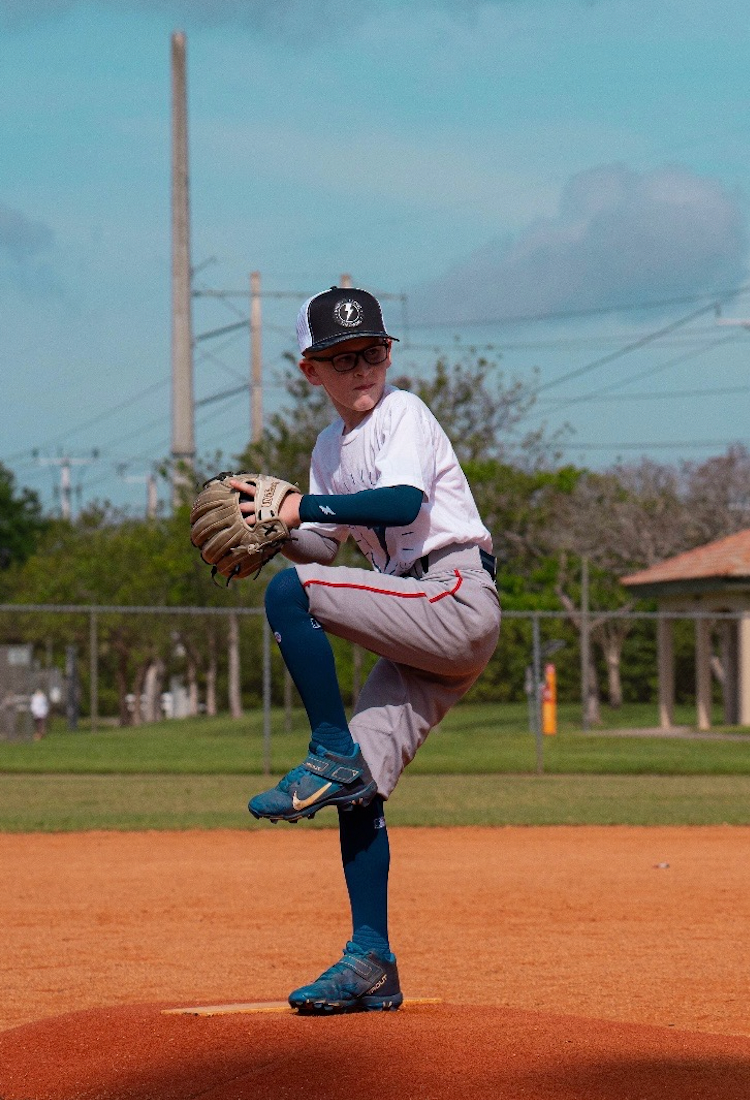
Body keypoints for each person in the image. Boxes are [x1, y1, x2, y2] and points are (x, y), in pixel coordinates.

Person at [239, 285, 501, 1014]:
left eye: (373, 350)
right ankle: (371, 960)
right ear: (309, 371)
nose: (362, 367)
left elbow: (400, 505)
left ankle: (326, 747)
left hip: (454, 593)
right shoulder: (330, 448)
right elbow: (320, 543)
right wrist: (273, 529)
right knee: (362, 790)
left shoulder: (403, 412)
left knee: (293, 596)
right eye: (341, 356)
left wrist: (304, 509)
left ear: (389, 352)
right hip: (420, 622)